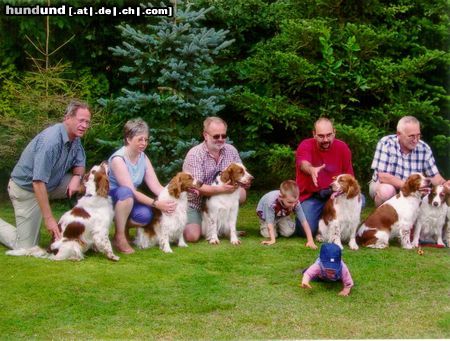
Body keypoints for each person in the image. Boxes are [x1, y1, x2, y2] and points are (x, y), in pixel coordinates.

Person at [0, 100, 91, 250]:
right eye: (81, 120)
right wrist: (49, 219)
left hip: (51, 184)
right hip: (26, 190)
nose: (85, 125)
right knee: (26, 247)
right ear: (68, 118)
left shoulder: (75, 138)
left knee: (87, 186)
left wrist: (76, 178)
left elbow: (80, 163)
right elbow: (37, 182)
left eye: (87, 122)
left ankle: (81, 231)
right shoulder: (51, 142)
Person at [108, 118, 176, 254]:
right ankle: (120, 237)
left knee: (145, 216)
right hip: (113, 199)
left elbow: (156, 186)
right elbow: (132, 191)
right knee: (126, 192)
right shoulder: (118, 159)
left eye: (146, 140)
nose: (144, 143)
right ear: (128, 139)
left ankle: (122, 227)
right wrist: (157, 204)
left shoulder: (143, 157)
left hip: (130, 200)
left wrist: (171, 199)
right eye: (140, 139)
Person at [182, 116, 249, 242]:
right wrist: (220, 189)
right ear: (205, 135)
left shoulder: (231, 150)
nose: (220, 139)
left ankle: (225, 227)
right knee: (192, 236)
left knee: (242, 193)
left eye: (223, 136)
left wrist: (243, 182)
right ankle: (206, 225)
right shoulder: (195, 154)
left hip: (222, 196)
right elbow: (196, 186)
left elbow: (241, 173)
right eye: (216, 136)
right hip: (195, 202)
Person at [295, 117, 355, 237]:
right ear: (314, 134)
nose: (326, 139)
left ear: (334, 132)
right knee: (304, 232)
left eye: (329, 135)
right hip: (312, 197)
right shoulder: (305, 145)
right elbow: (303, 164)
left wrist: (340, 192)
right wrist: (311, 170)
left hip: (336, 196)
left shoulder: (342, 148)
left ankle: (335, 223)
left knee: (360, 199)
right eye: (321, 136)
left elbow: (349, 178)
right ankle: (322, 221)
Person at [369, 116, 447, 207]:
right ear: (399, 134)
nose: (416, 140)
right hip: (386, 185)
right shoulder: (386, 143)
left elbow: (434, 176)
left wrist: (445, 184)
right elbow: (383, 177)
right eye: (411, 136)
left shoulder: (424, 148)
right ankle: (384, 219)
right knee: (386, 191)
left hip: (414, 188)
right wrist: (411, 187)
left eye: (418, 135)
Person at [257, 180, 317, 249]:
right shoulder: (271, 202)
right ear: (281, 197)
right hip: (267, 216)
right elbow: (270, 222)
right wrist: (272, 240)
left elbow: (304, 221)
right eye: (290, 202)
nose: (293, 205)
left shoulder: (295, 202)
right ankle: (266, 227)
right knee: (268, 235)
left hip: (281, 215)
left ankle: (279, 226)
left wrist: (310, 240)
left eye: (295, 201)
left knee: (288, 232)